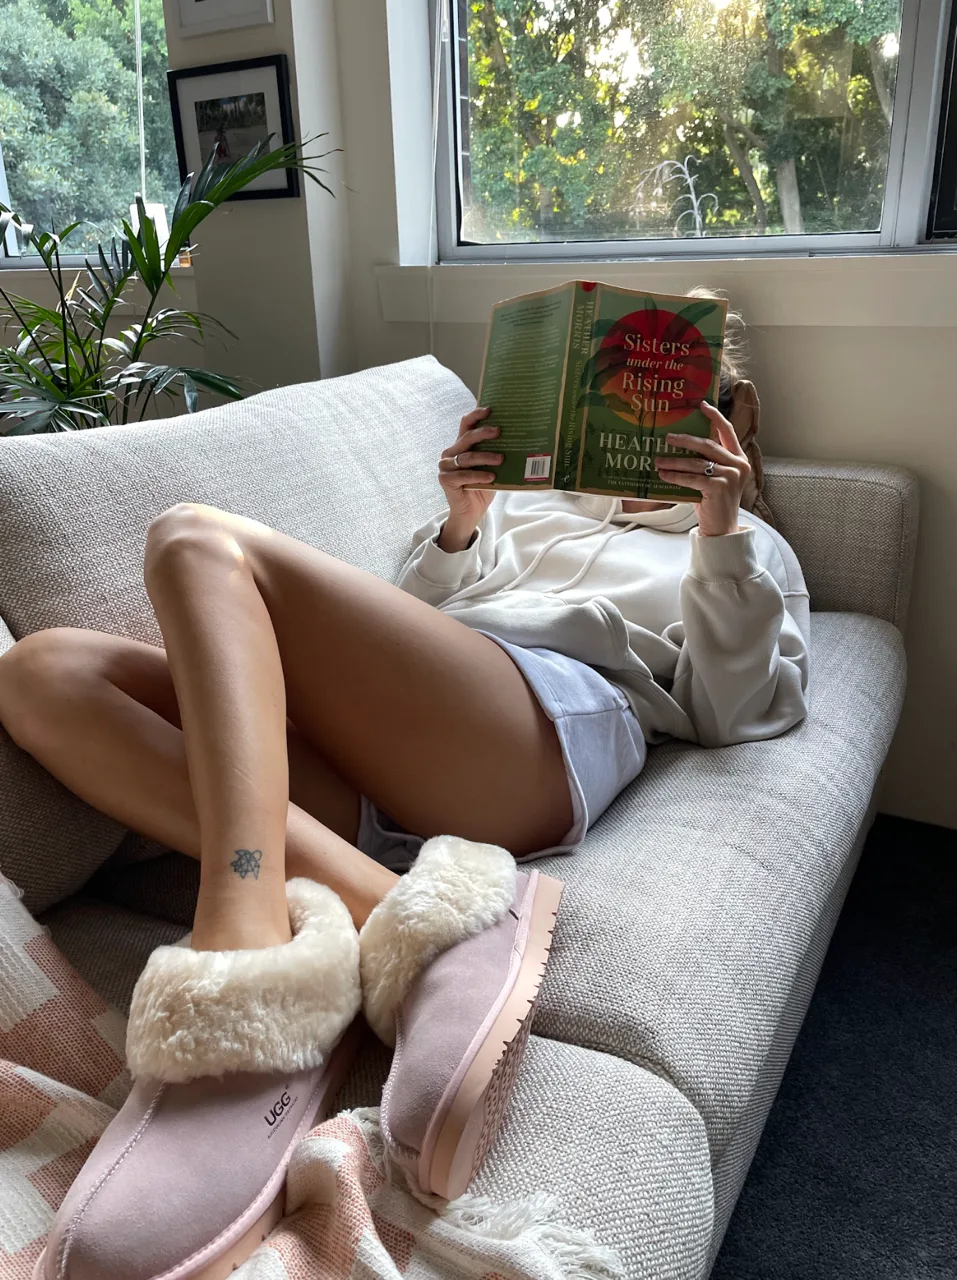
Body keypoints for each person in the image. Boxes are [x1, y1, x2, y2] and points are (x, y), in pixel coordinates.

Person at [0, 311, 810, 1277]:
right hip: (398, 750)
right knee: (43, 675)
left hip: (548, 727)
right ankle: (406, 916)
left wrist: (720, 531)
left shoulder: (745, 544)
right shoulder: (525, 507)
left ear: (712, 419)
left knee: (193, 540)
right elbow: (401, 637)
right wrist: (463, 519)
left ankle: (245, 931)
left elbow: (733, 711)